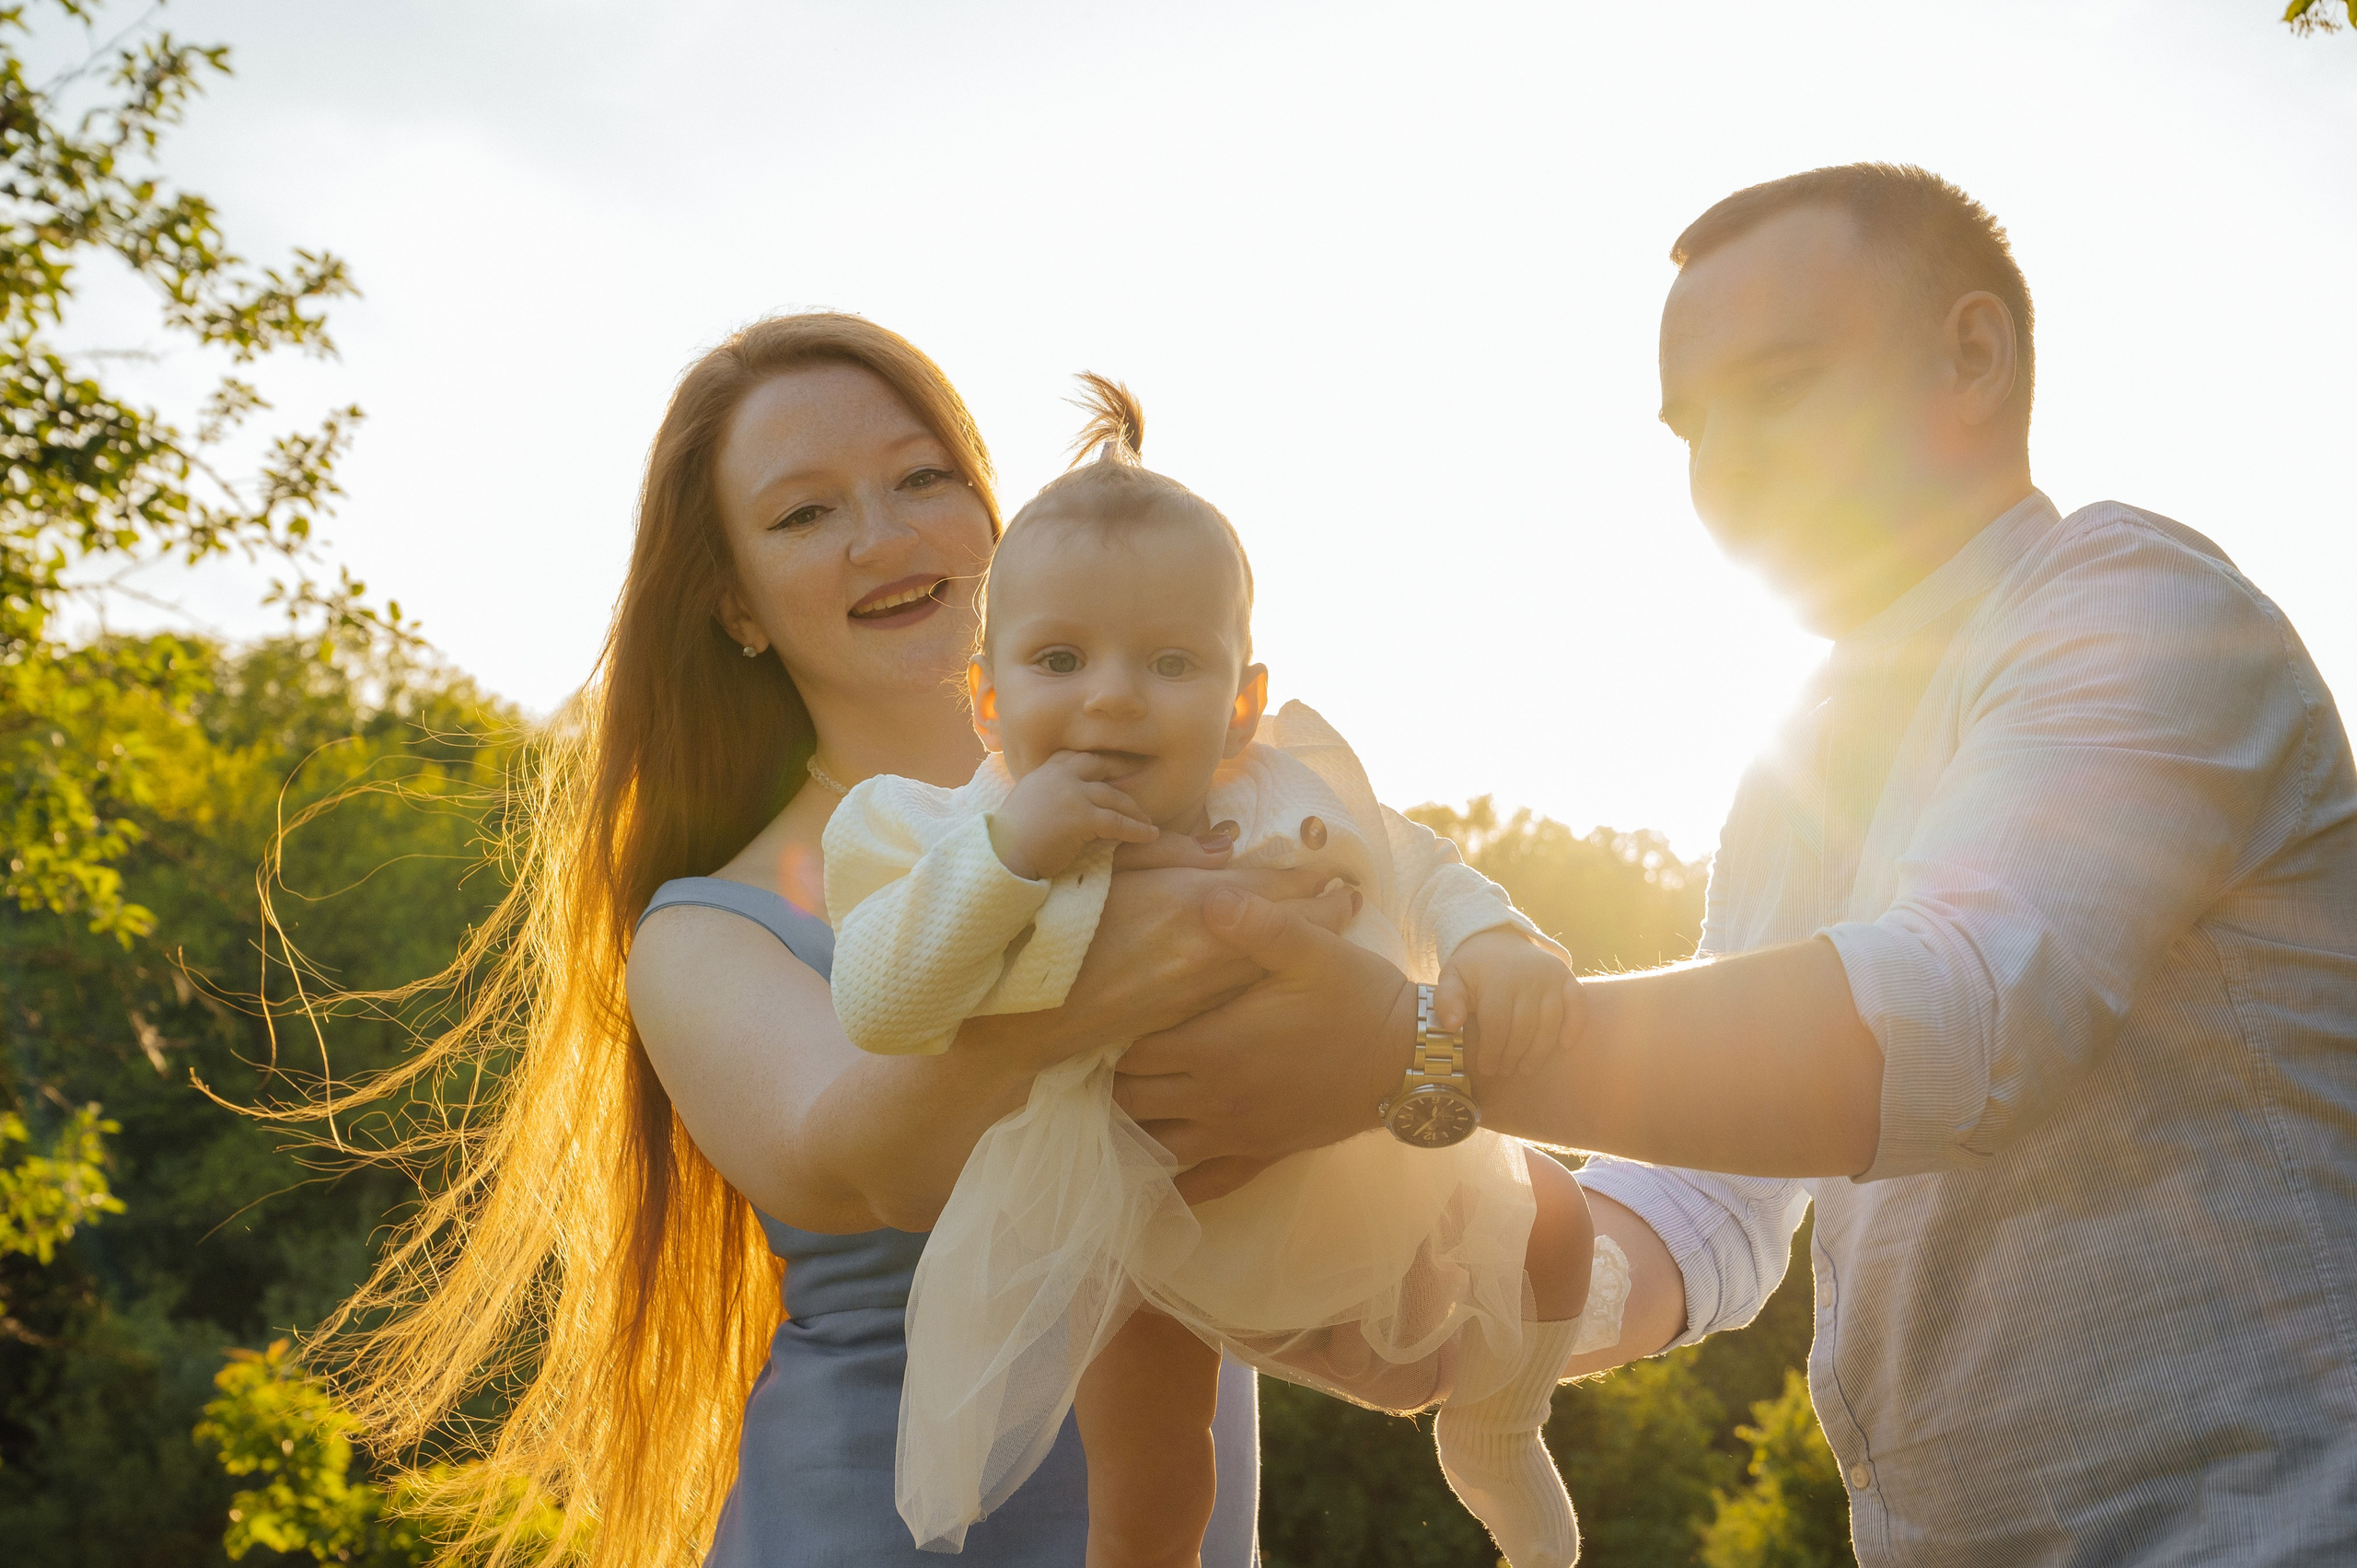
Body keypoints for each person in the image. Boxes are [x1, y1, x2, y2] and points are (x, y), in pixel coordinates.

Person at [1107, 164, 2357, 1566]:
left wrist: (1407, 1052)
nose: (1726, 467)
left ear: (1974, 354)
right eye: (1696, 428)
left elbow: (1954, 1020)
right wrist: (1477, 1305)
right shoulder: (1797, 771)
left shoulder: (2142, 609)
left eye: (1781, 387)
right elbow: (1715, 1200)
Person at [309, 315, 1353, 1567]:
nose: (886, 539)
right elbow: (870, 1168)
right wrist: (1130, 975)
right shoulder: (708, 928)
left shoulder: (1229, 800)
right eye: (805, 514)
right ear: (735, 605)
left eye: (923, 479)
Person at [823, 377, 1628, 1568]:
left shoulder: (1282, 792)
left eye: (1170, 661)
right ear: (988, 700)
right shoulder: (948, 837)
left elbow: (1417, 865)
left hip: (1351, 1156)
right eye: (1059, 658)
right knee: (1154, 1488)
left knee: (1557, 1225)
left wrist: (1492, 941)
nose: (1111, 694)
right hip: (1133, 1213)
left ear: (1241, 704)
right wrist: (1011, 855)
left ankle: (1498, 1432)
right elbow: (881, 1001)